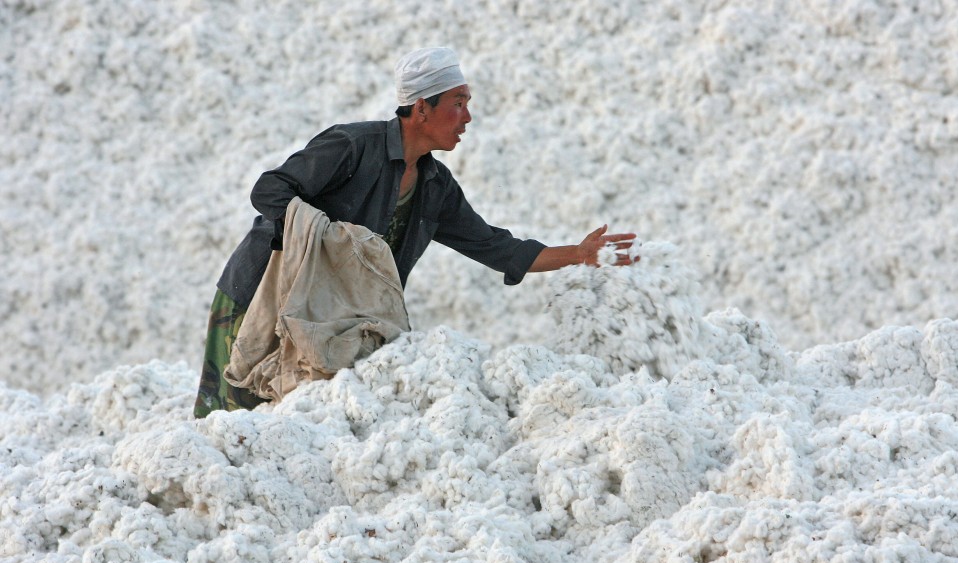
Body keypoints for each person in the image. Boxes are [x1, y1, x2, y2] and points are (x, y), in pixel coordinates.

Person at [194, 46, 638, 418]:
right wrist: (325, 236)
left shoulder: (434, 187)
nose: (467, 117)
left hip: (330, 322)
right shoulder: (352, 146)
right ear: (421, 108)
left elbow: (497, 248)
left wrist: (578, 254)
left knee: (297, 424)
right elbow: (270, 189)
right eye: (458, 103)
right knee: (232, 423)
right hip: (260, 298)